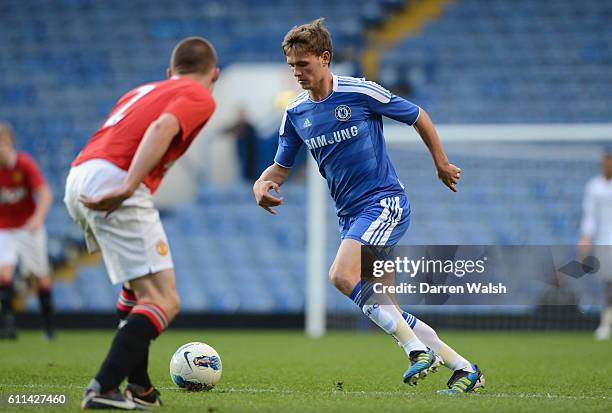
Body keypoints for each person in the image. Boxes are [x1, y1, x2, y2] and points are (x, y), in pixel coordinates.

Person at [253, 19, 484, 394]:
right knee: (388, 307)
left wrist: (440, 162)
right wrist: (261, 184)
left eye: (303, 64)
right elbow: (279, 169)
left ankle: (415, 352)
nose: (296, 72)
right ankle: (464, 368)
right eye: (292, 65)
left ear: (325, 58)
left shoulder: (359, 92)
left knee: (342, 277)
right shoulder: (296, 113)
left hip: (384, 203)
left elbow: (417, 115)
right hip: (350, 217)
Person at [64, 37, 219, 410]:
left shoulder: (143, 90)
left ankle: (140, 386)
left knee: (137, 290)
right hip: (115, 178)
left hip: (79, 176)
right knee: (165, 299)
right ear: (214, 73)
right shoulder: (199, 94)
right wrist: (128, 185)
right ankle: (103, 386)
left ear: (169, 73)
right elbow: (162, 128)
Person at [0, 122, 54, 340]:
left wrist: (37, 218)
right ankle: (7, 325)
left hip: (29, 228)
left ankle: (49, 328)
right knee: (4, 273)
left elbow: (45, 193)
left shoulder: (24, 164)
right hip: (5, 228)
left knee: (40, 277)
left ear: (9, 143)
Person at [578, 148, 612, 340]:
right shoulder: (594, 186)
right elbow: (589, 216)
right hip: (604, 241)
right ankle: (605, 323)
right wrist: (585, 238)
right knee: (608, 284)